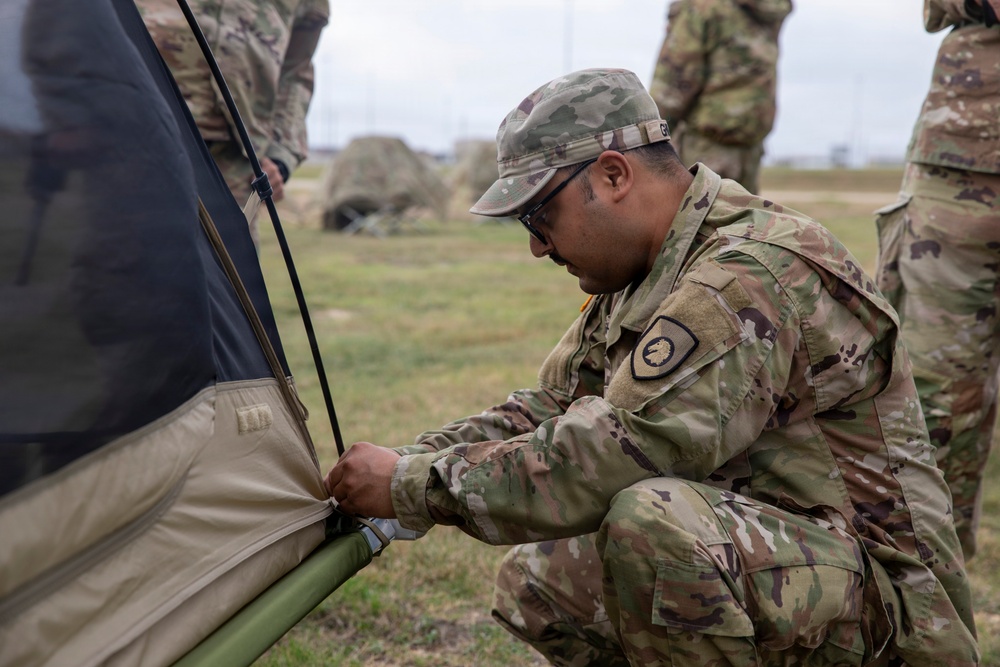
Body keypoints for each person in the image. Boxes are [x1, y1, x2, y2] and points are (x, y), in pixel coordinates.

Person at [326, 68, 978, 666]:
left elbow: (619, 452)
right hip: (795, 563)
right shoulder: (645, 269)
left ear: (613, 176)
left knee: (654, 522)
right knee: (547, 578)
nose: (534, 245)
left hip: (894, 625)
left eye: (539, 214)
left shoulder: (744, 275)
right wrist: (410, 456)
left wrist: (415, 485)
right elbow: (547, 408)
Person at [874, 0, 999, 561]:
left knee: (937, 387)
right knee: (938, 389)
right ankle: (930, 572)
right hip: (968, 154)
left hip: (969, 147)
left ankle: (927, 571)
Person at [136, 0, 329, 245]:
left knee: (232, 277)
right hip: (133, 142)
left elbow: (296, 71)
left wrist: (281, 153)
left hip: (238, 166)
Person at [649, 0, 792, 194]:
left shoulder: (703, 7)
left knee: (696, 219)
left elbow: (673, 85)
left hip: (704, 147)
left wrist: (651, 142)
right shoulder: (767, 8)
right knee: (743, 220)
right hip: (749, 145)